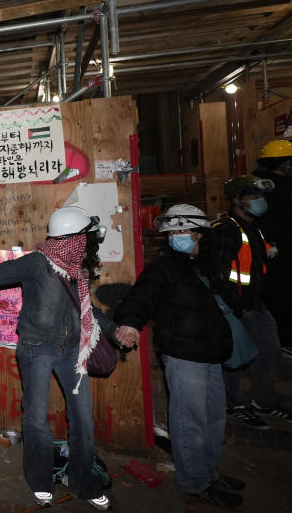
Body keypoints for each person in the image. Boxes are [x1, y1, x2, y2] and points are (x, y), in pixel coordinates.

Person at [0, 206, 121, 511]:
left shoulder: (76, 269)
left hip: (73, 349)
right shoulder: (37, 263)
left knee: (82, 417)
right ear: (73, 239)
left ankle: (84, 481)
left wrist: (114, 329)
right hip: (36, 348)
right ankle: (41, 480)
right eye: (85, 237)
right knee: (36, 417)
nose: (89, 243)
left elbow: (86, 310)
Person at [113, 204, 245, 508]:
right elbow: (141, 297)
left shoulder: (204, 265)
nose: (176, 236)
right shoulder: (165, 267)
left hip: (210, 355)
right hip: (185, 356)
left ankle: (209, 473)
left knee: (212, 420)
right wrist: (130, 324)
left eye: (183, 230)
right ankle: (195, 481)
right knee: (190, 422)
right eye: (172, 232)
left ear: (199, 234)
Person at [205, 175, 289, 429]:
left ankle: (263, 401)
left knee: (270, 349)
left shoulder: (254, 227)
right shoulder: (226, 229)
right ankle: (235, 403)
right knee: (235, 356)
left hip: (256, 304)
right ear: (236, 200)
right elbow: (216, 271)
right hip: (236, 306)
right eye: (252, 196)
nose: (258, 201)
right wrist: (231, 305)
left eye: (261, 196)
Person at [252, 140, 292, 356]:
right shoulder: (267, 187)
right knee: (281, 297)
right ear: (284, 164)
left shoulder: (277, 183)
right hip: (276, 252)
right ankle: (282, 342)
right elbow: (272, 221)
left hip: (277, 250)